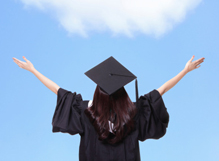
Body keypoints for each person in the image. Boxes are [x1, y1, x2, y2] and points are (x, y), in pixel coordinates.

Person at [12, 55, 205, 161]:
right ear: (123, 94)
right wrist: (185, 71)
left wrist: (33, 70)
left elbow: (57, 90)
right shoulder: (135, 113)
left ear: (97, 94)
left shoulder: (85, 112)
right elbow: (161, 90)